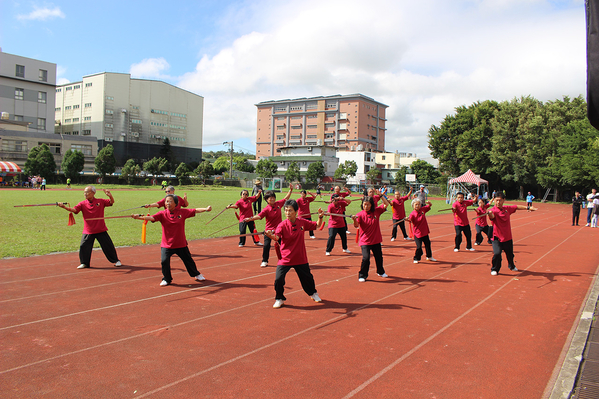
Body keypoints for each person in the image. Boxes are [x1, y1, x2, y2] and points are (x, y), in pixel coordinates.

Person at [133, 195, 211, 286]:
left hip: (180, 243)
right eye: (166, 201)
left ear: (175, 203)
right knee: (164, 261)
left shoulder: (182, 212)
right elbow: (152, 218)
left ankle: (196, 274)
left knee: (188, 260)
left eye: (170, 201)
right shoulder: (162, 213)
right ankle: (166, 279)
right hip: (167, 244)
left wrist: (206, 209)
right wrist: (138, 217)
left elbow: (195, 210)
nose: (168, 203)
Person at [265, 200, 325, 308]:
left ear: (296, 211)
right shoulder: (282, 225)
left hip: (300, 257)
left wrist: (320, 217)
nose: (287, 213)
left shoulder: (302, 222)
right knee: (278, 279)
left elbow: (316, 225)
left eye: (290, 210)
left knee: (307, 278)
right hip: (286, 258)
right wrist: (270, 235)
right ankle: (279, 298)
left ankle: (313, 293)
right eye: (286, 210)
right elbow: (277, 237)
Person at [57, 186, 122, 269]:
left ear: (93, 193)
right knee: (83, 246)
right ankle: (84, 263)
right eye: (84, 192)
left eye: (87, 192)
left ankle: (116, 260)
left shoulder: (100, 201)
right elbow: (75, 210)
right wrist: (64, 207)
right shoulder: (82, 203)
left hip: (100, 229)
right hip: (88, 230)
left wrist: (110, 196)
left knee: (108, 246)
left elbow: (111, 202)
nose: (85, 194)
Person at [487, 192, 537, 275]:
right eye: (496, 200)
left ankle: (511, 265)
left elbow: (516, 207)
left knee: (510, 255)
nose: (498, 202)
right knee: (497, 253)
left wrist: (528, 207)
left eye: (500, 200)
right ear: (494, 200)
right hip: (497, 238)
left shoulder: (507, 209)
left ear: (504, 200)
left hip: (507, 237)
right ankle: (494, 269)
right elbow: (492, 217)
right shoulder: (492, 211)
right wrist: (490, 214)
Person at [244, 184, 293, 267]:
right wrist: (250, 218)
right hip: (269, 231)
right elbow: (259, 216)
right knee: (266, 245)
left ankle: (287, 260)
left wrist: (290, 190)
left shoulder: (278, 204)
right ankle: (264, 260)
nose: (272, 199)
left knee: (284, 245)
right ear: (267, 199)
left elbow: (286, 198)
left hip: (279, 230)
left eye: (273, 197)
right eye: (270, 198)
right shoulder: (266, 209)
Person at [352, 195, 390, 282]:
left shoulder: (377, 211)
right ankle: (362, 275)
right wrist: (354, 219)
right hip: (365, 241)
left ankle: (380, 272)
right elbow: (356, 225)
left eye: (368, 205)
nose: (366, 206)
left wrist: (381, 195)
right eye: (364, 204)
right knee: (366, 258)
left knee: (379, 257)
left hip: (376, 240)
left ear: (372, 205)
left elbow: (386, 204)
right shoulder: (360, 215)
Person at [407, 199, 436, 264]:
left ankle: (429, 256)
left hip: (424, 231)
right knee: (419, 247)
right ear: (413, 205)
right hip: (417, 233)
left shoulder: (423, 209)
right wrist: (407, 219)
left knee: (428, 244)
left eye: (419, 204)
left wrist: (429, 203)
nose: (417, 206)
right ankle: (416, 258)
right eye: (416, 204)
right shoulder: (412, 214)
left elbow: (429, 206)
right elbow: (410, 219)